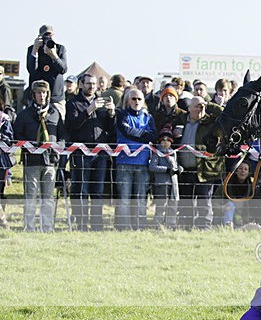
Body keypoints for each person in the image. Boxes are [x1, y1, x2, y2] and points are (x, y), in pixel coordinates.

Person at [65, 73, 116, 231]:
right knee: (81, 190)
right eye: (88, 83)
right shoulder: (73, 103)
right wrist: (88, 110)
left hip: (100, 153)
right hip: (81, 153)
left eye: (94, 84)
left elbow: (109, 128)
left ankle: (96, 224)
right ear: (81, 84)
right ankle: (81, 224)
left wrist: (111, 113)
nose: (92, 86)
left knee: (98, 191)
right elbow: (72, 126)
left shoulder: (102, 101)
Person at [14, 80, 65, 232]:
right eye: (38, 93)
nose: (41, 96)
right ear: (33, 95)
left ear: (48, 94)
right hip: (32, 161)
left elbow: (62, 135)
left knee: (48, 196)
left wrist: (59, 147)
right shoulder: (25, 115)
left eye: (44, 93)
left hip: (50, 161)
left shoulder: (55, 113)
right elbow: (17, 135)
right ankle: (29, 227)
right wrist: (28, 146)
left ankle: (47, 227)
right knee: (30, 196)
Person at [177, 96, 223, 229]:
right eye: (196, 106)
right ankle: (186, 226)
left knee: (204, 200)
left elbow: (223, 113)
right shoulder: (181, 119)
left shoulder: (210, 122)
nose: (199, 109)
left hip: (203, 168)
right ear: (189, 108)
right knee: (185, 200)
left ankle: (204, 226)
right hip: (184, 168)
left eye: (202, 107)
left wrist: (209, 105)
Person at [114, 88, 156, 230]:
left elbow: (153, 135)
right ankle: (123, 227)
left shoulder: (148, 117)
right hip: (124, 162)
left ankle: (140, 226)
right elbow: (125, 131)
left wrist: (140, 135)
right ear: (127, 100)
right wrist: (144, 135)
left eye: (139, 99)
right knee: (124, 198)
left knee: (140, 198)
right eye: (133, 99)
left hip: (143, 163)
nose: (136, 101)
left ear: (143, 101)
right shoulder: (121, 115)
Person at [26, 24, 68, 118]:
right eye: (45, 36)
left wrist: (54, 55)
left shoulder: (60, 49)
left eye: (50, 35)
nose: (48, 38)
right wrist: (35, 51)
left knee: (57, 123)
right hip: (37, 97)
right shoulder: (32, 49)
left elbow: (63, 69)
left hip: (56, 98)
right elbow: (31, 70)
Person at [149, 127, 180, 229]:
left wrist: (180, 169)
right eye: (163, 141)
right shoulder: (157, 153)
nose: (165, 143)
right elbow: (152, 167)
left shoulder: (173, 153)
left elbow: (176, 165)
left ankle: (171, 223)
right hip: (162, 183)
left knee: (173, 204)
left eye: (168, 141)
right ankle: (158, 224)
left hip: (173, 183)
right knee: (161, 204)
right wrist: (166, 170)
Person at [222, 161, 252, 228]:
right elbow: (215, 202)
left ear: (248, 173)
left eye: (245, 169)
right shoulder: (226, 185)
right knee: (230, 204)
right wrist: (222, 208)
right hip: (225, 215)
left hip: (243, 219)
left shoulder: (252, 187)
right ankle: (228, 226)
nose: (243, 171)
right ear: (235, 171)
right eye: (240, 168)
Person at [0, 108, 13, 228]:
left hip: (1, 161)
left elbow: (9, 139)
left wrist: (3, 137)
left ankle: (2, 220)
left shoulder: (4, 119)